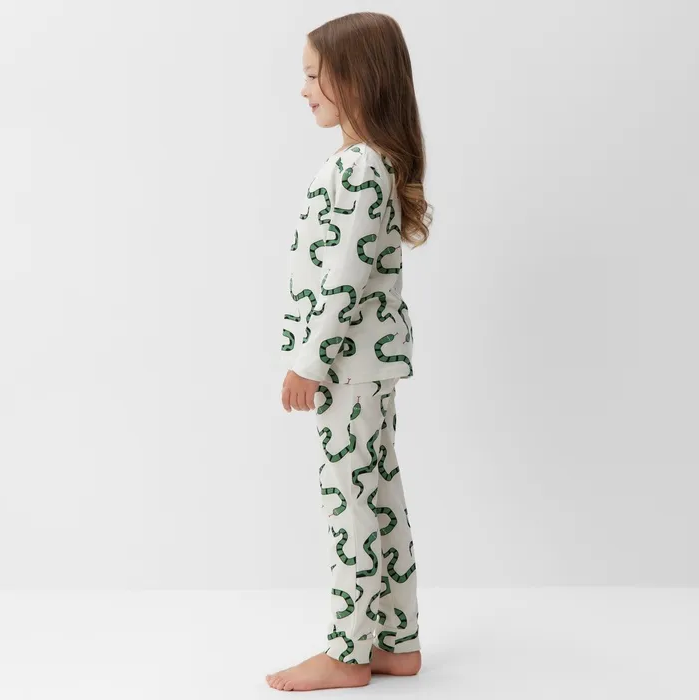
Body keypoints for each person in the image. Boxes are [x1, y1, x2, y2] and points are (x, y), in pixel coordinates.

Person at [267, 11, 433, 692]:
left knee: (351, 507)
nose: (304, 90)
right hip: (365, 366)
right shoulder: (368, 164)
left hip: (346, 369)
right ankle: (396, 641)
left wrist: (308, 364)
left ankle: (348, 650)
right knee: (378, 495)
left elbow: (345, 277)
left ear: (356, 80)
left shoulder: (360, 169)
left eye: (314, 76)